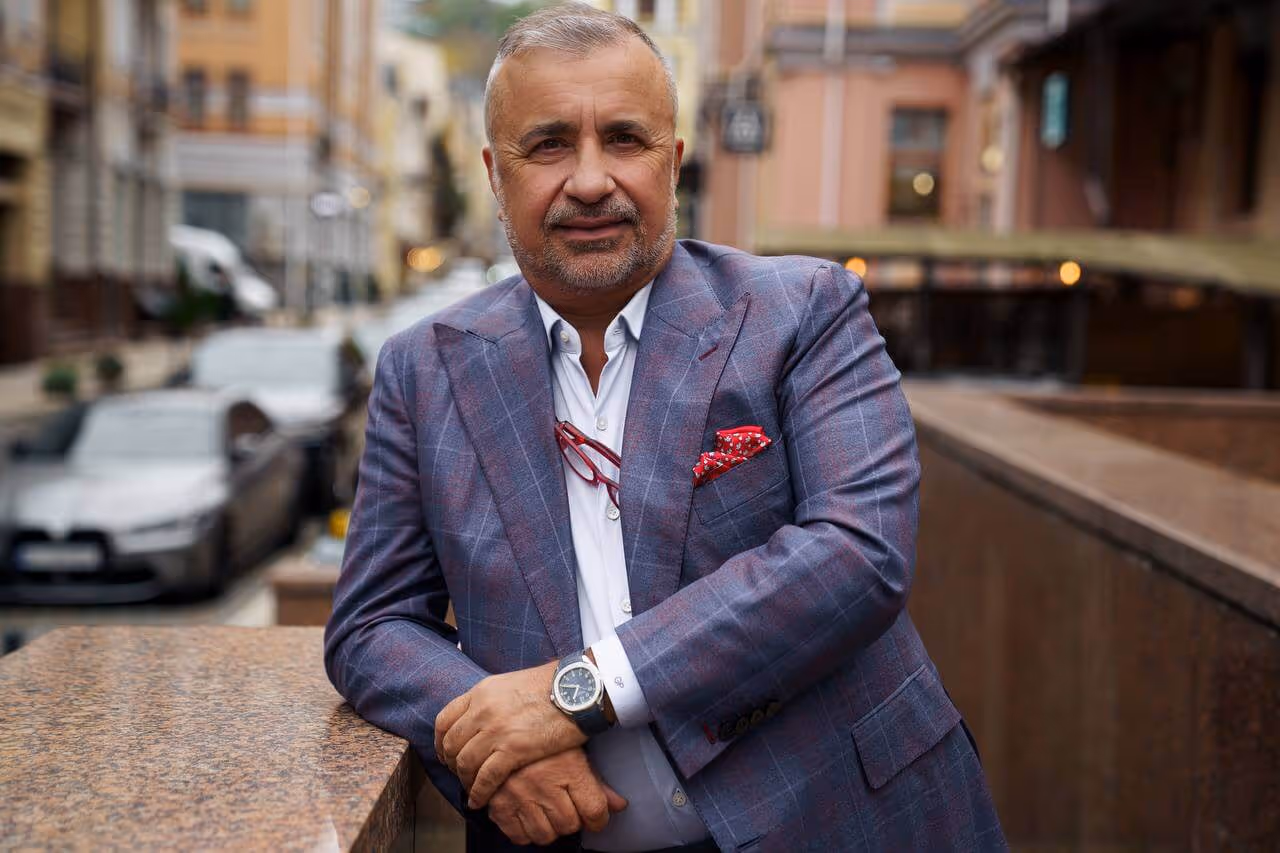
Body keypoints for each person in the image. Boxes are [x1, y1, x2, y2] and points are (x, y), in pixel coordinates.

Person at [324, 3, 1005, 851]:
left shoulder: (803, 312)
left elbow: (857, 552)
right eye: (548, 146)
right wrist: (494, 746)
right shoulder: (422, 370)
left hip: (844, 815)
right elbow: (372, 625)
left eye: (623, 138)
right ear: (496, 176)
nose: (589, 180)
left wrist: (574, 693)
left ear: (672, 161)